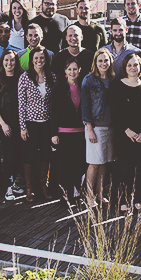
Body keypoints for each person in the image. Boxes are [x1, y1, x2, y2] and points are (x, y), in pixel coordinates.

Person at [110, 53, 141, 209]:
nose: (133, 68)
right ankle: (123, 200)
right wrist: (126, 130)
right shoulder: (117, 85)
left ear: (140, 66)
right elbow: (114, 112)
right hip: (124, 135)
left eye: (135, 65)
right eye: (129, 65)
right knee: (125, 169)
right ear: (124, 68)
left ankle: (138, 199)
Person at [18, 45, 57, 201]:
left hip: (47, 123)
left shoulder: (52, 77)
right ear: (32, 60)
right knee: (30, 155)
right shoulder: (25, 77)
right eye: (36, 58)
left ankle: (43, 185)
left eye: (42, 58)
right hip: (31, 122)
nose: (39, 61)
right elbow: (21, 104)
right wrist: (23, 127)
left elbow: (54, 103)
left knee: (46, 155)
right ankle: (29, 188)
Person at [0, 48, 25, 201]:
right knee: (8, 155)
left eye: (12, 60)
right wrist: (3, 124)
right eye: (6, 60)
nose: (9, 63)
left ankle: (19, 183)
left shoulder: (22, 78)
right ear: (2, 62)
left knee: (20, 154)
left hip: (20, 123)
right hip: (4, 125)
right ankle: (8, 186)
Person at [82, 48, 115, 206]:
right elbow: (85, 106)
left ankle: (100, 194)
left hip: (110, 127)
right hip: (95, 127)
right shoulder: (89, 80)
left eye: (106, 60)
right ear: (95, 62)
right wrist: (89, 129)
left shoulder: (113, 79)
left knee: (104, 162)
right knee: (94, 163)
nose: (103, 63)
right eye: (100, 60)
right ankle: (89, 196)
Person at [53, 56, 87, 200]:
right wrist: (53, 133)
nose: (72, 72)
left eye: (75, 69)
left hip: (81, 133)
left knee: (78, 163)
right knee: (64, 164)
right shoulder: (59, 88)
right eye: (69, 69)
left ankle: (77, 191)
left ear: (79, 71)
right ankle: (64, 194)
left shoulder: (84, 87)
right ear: (65, 71)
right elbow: (53, 113)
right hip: (64, 133)